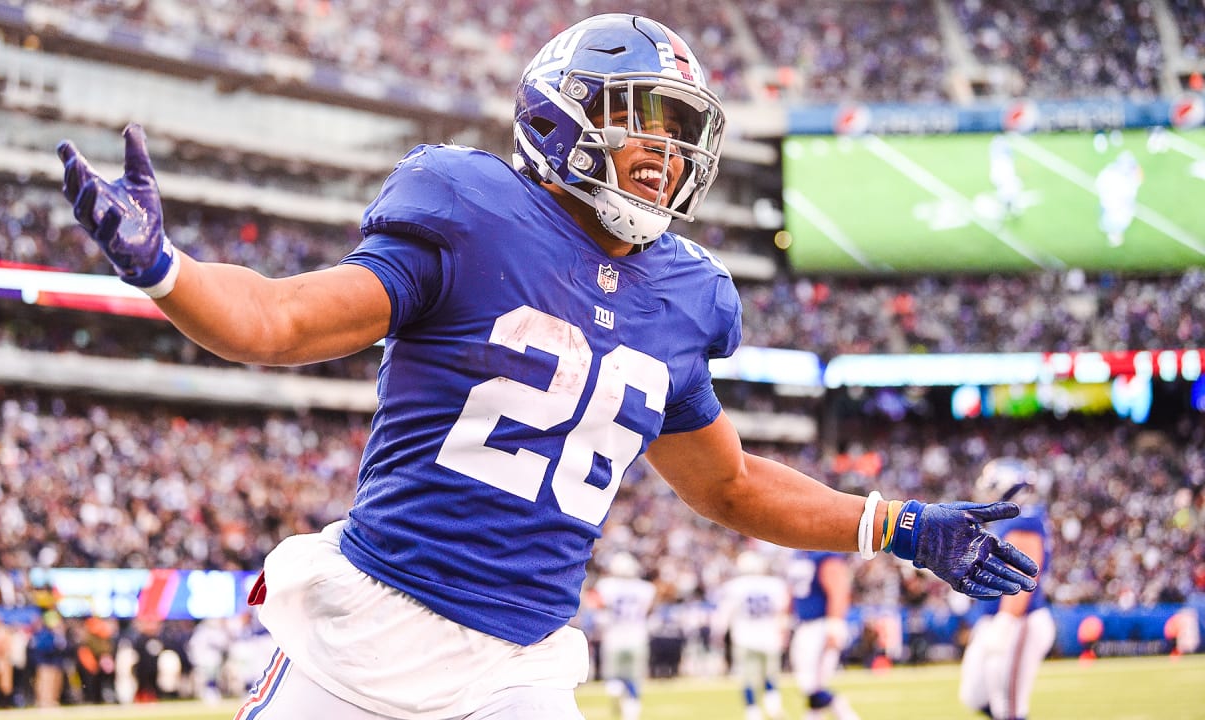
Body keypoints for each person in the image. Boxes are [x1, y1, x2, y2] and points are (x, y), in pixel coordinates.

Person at [55, 13, 1039, 719]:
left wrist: (892, 525)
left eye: (677, 128)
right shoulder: (471, 213)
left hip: (518, 667)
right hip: (366, 636)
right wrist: (165, 269)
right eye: (640, 116)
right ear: (564, 115)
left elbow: (731, 487)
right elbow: (277, 320)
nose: (663, 150)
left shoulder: (681, 296)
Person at [958, 459, 1053, 720]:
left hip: (1019, 621)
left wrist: (1006, 620)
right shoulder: (1007, 520)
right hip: (993, 618)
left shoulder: (1025, 519)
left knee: (1008, 706)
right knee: (974, 694)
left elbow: (1024, 571)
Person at [710, 549, 790, 720]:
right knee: (770, 674)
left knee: (747, 677)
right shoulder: (775, 584)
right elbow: (783, 613)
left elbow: (723, 614)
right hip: (770, 636)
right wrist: (784, 633)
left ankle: (752, 711)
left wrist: (717, 636)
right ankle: (773, 706)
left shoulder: (734, 586)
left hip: (744, 637)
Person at [786, 551, 858, 720]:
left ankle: (847, 714)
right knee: (808, 684)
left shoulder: (825, 555)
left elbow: (839, 590)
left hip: (822, 624)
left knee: (813, 685)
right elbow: (793, 592)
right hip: (804, 625)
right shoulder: (798, 555)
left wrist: (834, 627)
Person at [589, 552, 656, 720]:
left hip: (614, 637)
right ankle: (631, 710)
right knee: (633, 678)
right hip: (637, 636)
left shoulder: (605, 585)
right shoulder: (646, 588)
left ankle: (615, 688)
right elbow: (648, 611)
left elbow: (595, 607)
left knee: (613, 675)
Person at [1095, 150, 1143, 247]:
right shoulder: (1129, 180)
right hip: (1115, 207)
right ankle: (1113, 234)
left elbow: (1099, 184)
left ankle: (1112, 232)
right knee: (1115, 221)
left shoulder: (1109, 172)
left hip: (1111, 205)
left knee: (1110, 219)